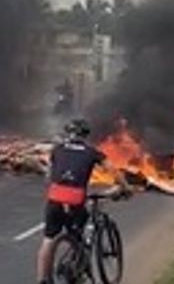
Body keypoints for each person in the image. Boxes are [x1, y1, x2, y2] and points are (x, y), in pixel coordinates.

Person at [36, 119, 129, 284]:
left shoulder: (57, 150)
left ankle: (42, 280)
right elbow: (113, 170)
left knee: (48, 239)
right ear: (86, 135)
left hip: (55, 196)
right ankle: (78, 266)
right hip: (75, 199)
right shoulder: (91, 152)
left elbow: (50, 174)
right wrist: (124, 187)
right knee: (79, 229)